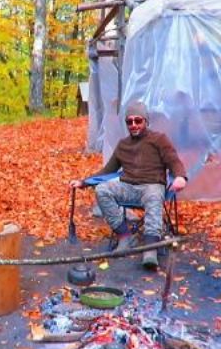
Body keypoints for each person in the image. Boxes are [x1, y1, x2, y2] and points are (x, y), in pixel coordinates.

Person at [70, 102, 187, 269]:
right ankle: (125, 236)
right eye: (129, 121)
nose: (134, 125)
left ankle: (150, 249)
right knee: (103, 189)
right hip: (129, 187)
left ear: (146, 121)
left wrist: (181, 177)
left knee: (153, 196)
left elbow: (174, 161)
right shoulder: (123, 145)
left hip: (152, 186)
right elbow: (108, 170)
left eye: (138, 120)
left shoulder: (159, 139)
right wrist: (84, 182)